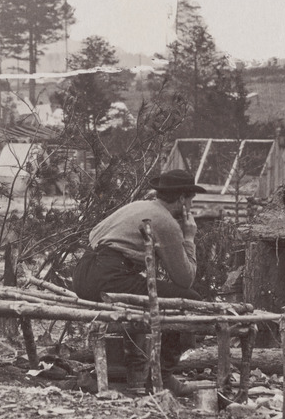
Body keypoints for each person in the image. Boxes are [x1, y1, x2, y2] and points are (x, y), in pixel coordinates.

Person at [73, 169, 205, 395]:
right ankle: (161, 378)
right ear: (182, 199)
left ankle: (130, 369)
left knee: (157, 293)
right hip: (109, 279)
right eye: (191, 200)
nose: (191, 207)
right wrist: (188, 238)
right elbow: (185, 279)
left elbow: (95, 235)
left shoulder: (138, 206)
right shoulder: (166, 222)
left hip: (83, 274)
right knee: (189, 302)